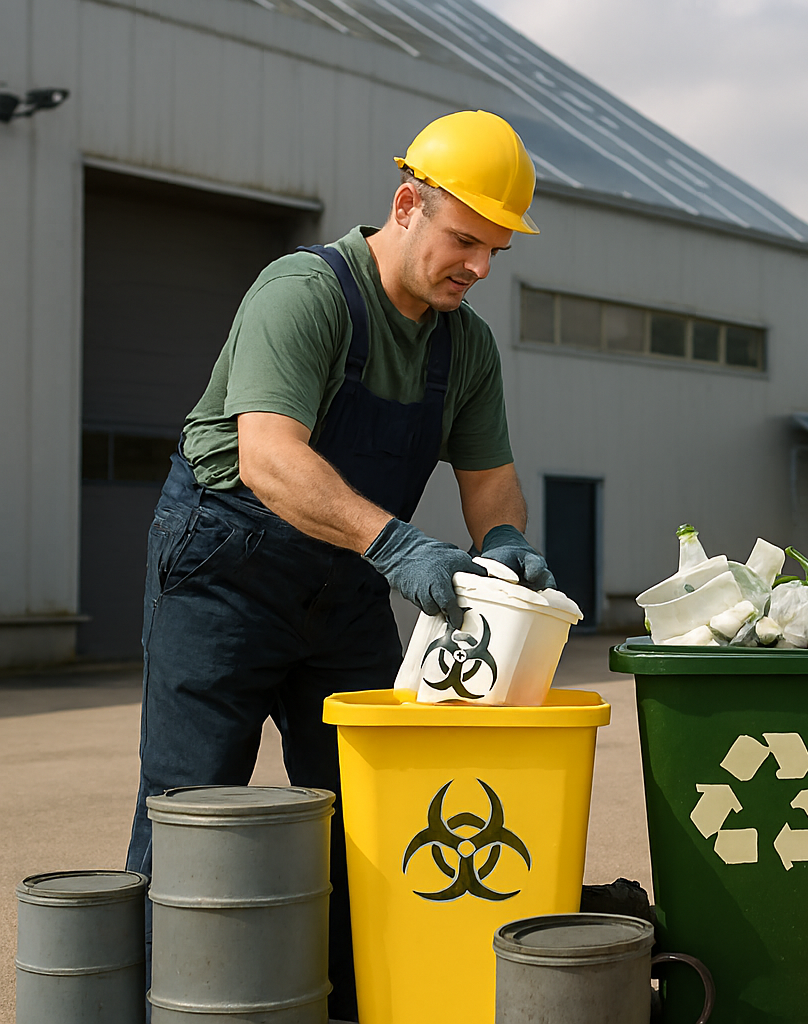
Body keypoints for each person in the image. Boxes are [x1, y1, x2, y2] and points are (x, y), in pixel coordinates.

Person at [126, 109, 557, 1021]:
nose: (478, 268)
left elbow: (492, 486)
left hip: (347, 581)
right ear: (408, 204)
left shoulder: (464, 346)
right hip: (224, 566)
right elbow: (268, 458)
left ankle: (354, 1003)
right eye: (465, 240)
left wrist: (505, 547)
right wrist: (398, 542)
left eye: (496, 251)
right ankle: (160, 1005)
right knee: (192, 815)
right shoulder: (305, 292)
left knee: (370, 819)